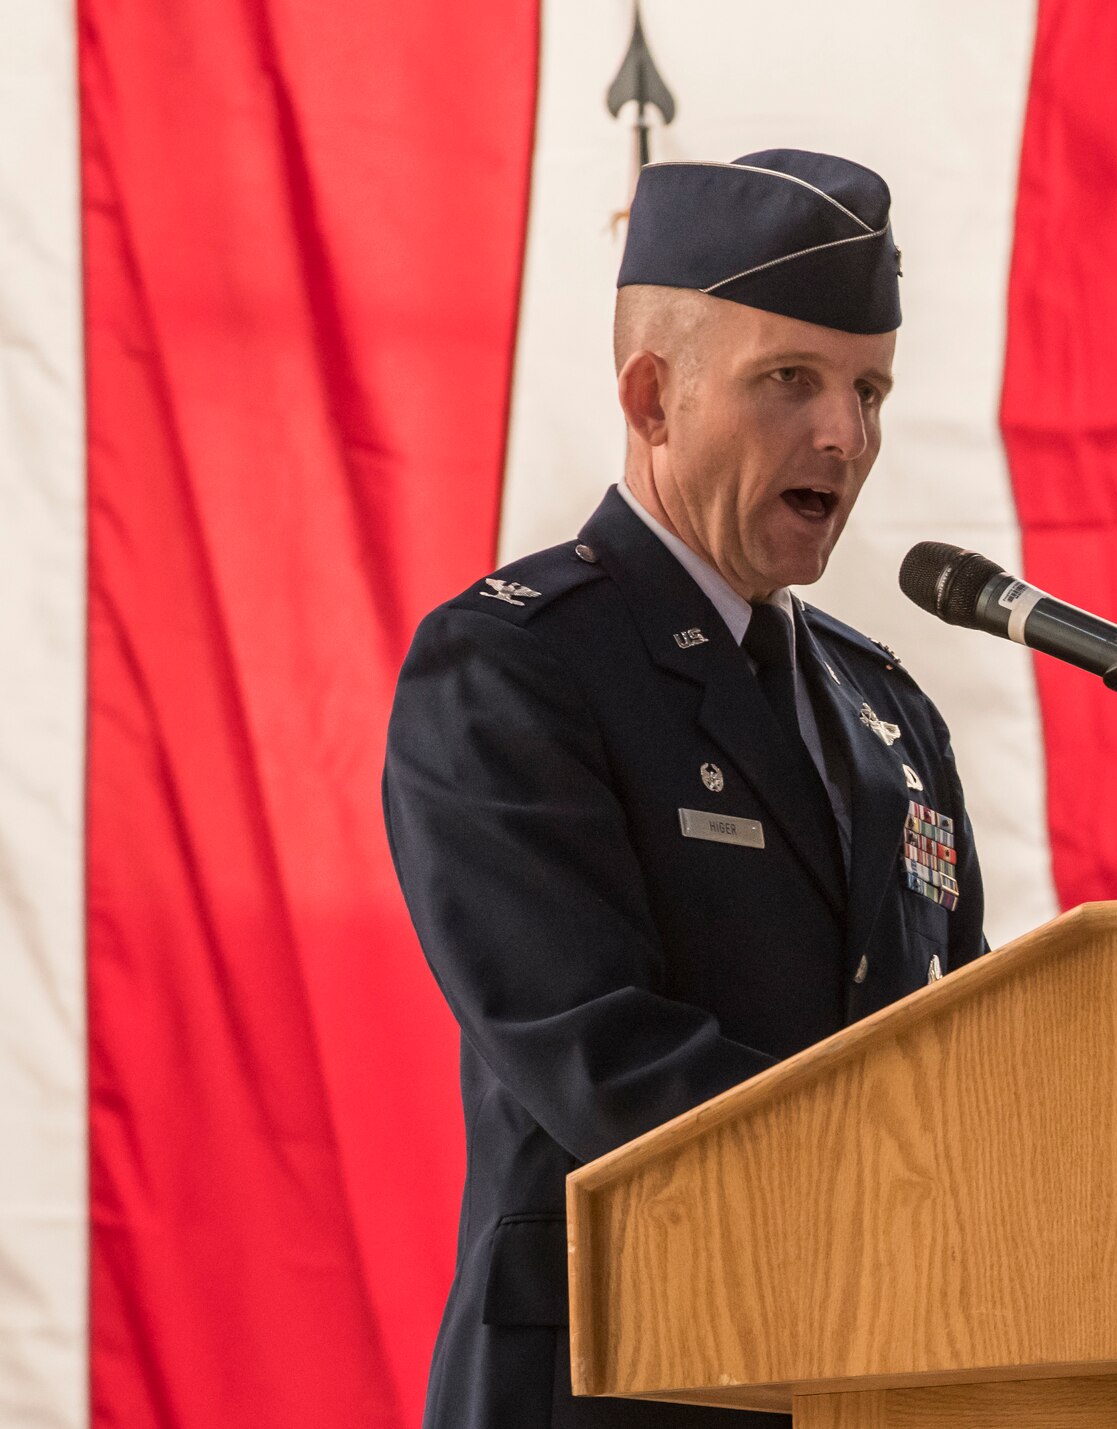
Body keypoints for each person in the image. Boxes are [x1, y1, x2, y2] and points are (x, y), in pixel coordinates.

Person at [383, 149, 986, 1429]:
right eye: (791, 382)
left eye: (869, 388)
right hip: (617, 1377)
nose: (846, 434)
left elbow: (967, 1043)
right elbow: (597, 1049)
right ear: (653, 397)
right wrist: (911, 1189)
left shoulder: (887, 709)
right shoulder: (516, 666)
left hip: (870, 1377)